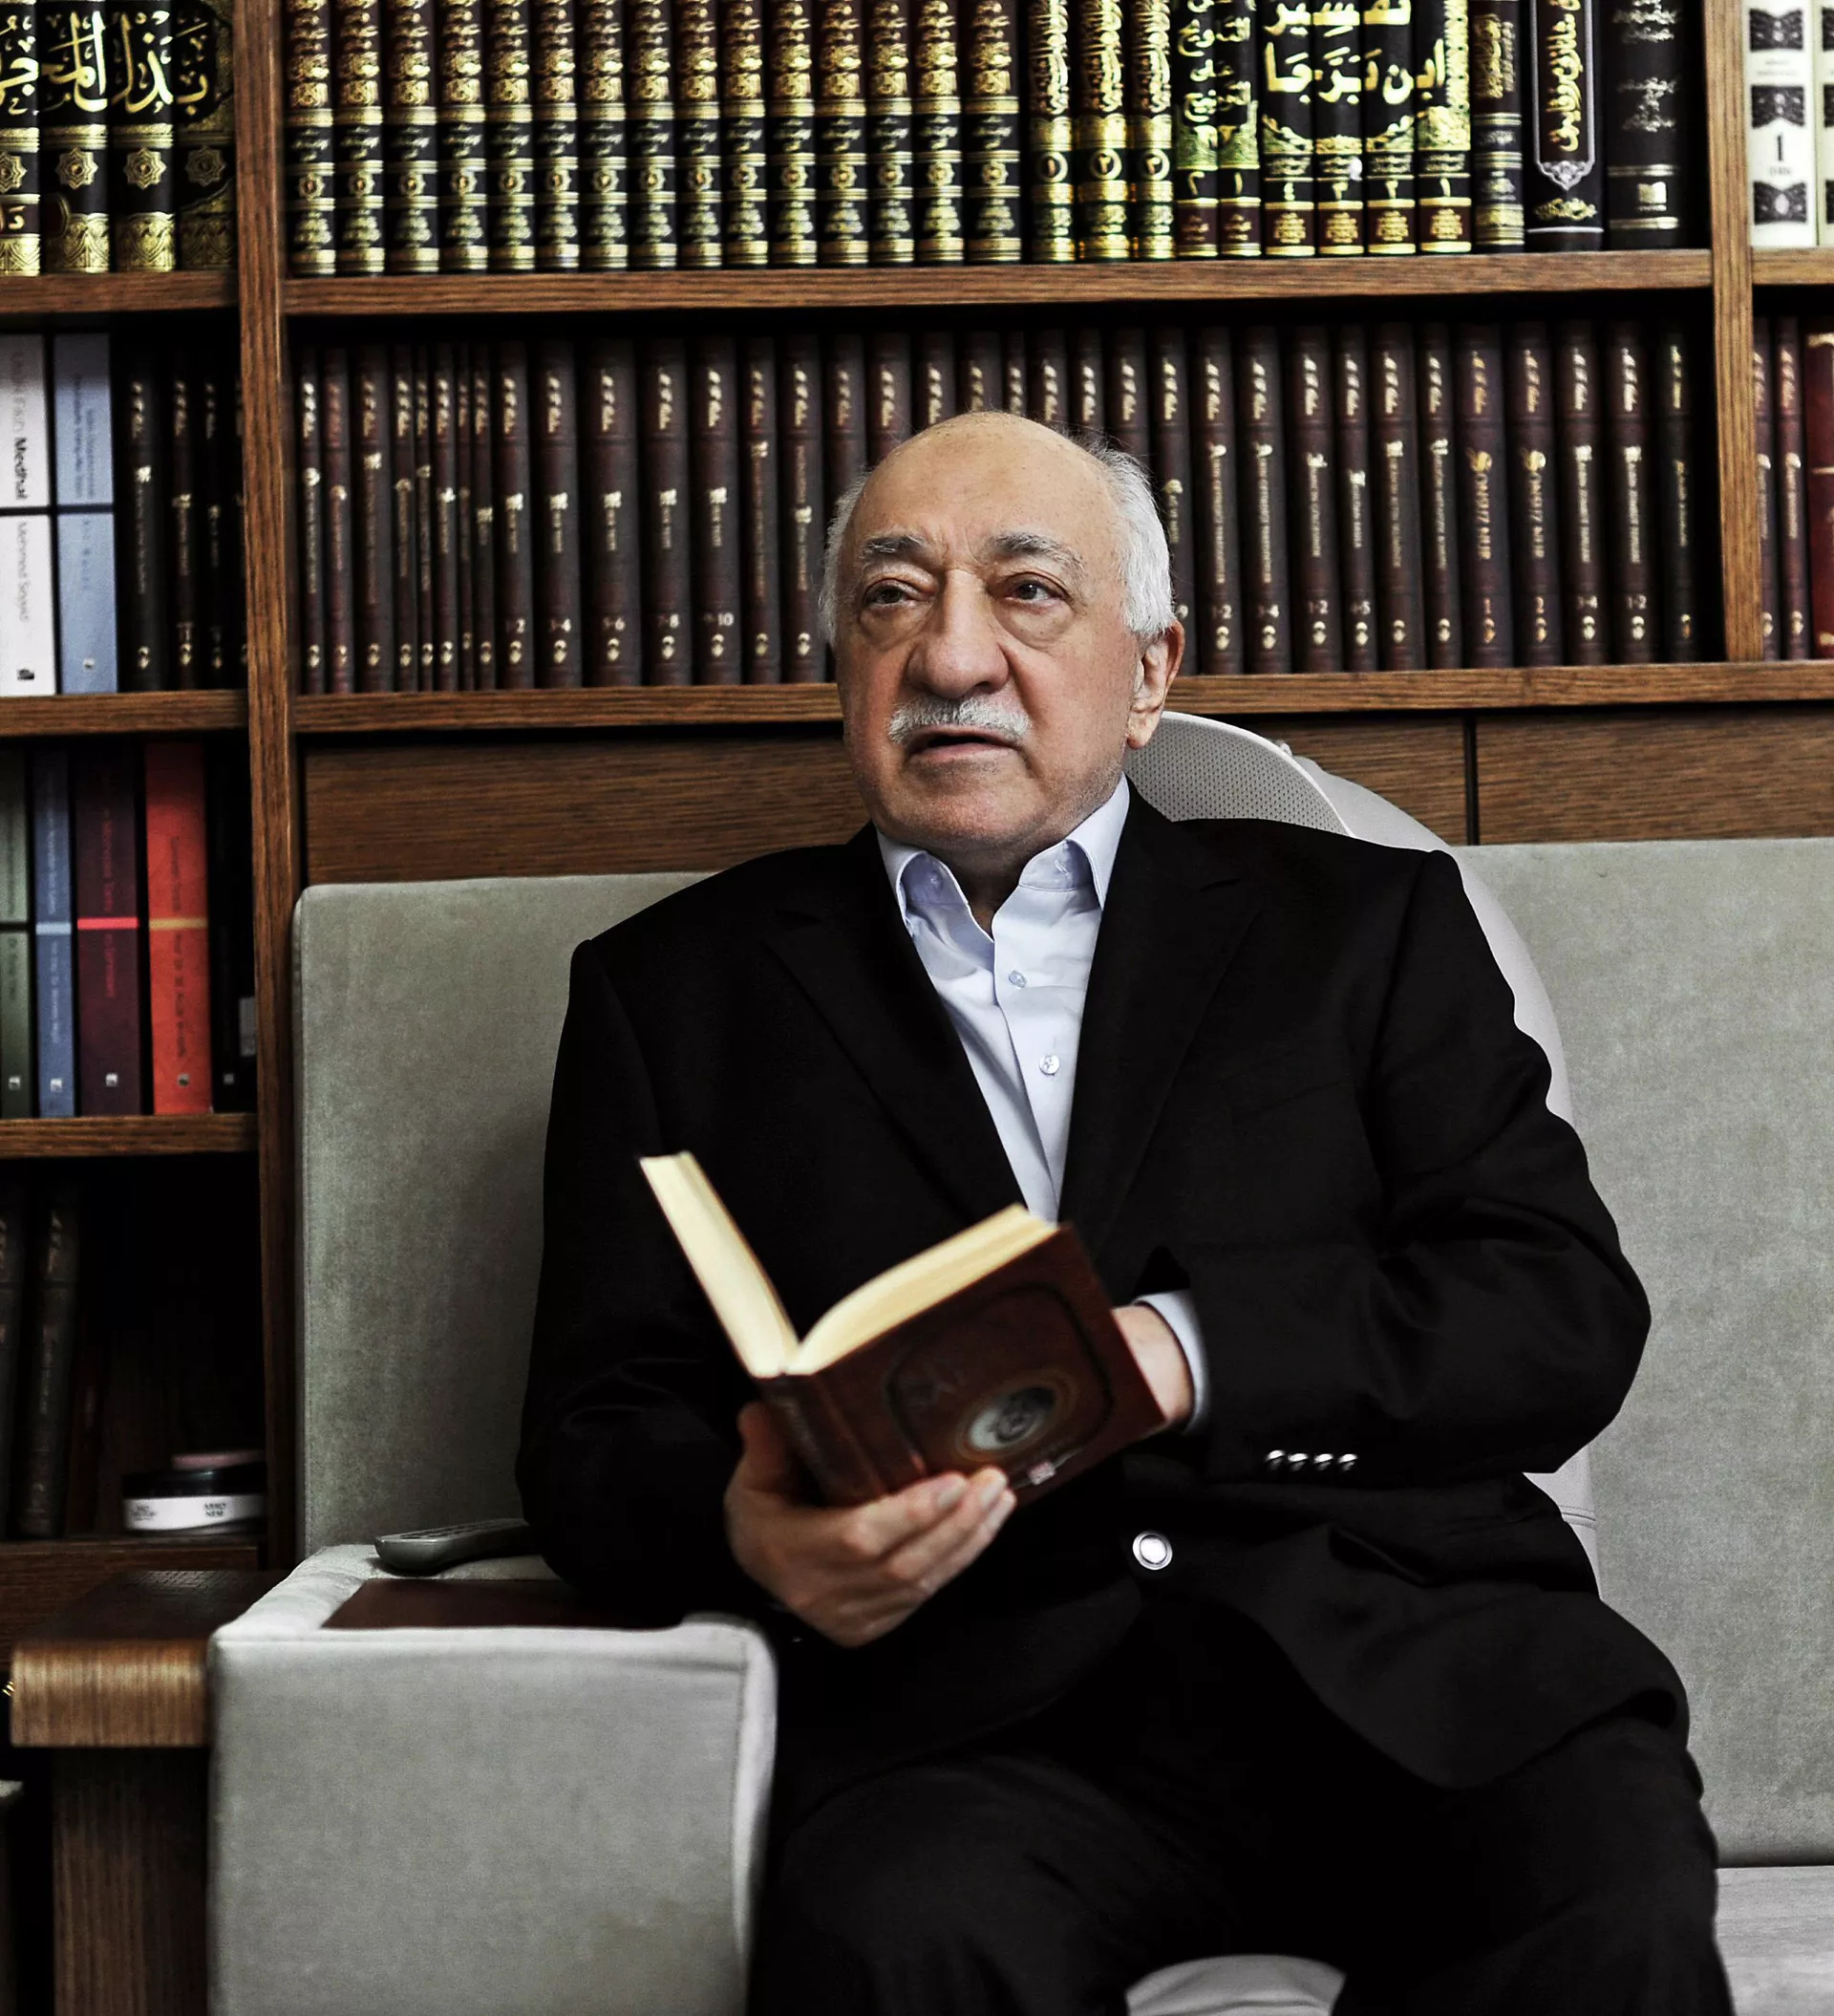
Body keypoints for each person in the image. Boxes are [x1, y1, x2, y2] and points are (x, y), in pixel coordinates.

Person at [517, 411, 1730, 2014]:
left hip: (1409, 1663)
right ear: (841, 671)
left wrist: (1180, 1349)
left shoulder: (1361, 928)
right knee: (895, 1941)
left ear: (1151, 672)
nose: (952, 656)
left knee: (1610, 1905)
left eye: (1027, 591)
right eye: (892, 598)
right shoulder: (673, 994)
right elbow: (592, 1433)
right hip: (975, 1726)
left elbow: (1553, 1311)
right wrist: (749, 1529)